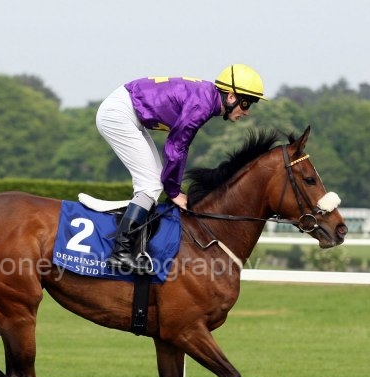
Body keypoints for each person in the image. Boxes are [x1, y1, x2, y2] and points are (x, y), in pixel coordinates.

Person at [96, 64, 267, 273]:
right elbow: (175, 147)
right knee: (151, 185)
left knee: (154, 183)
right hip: (119, 115)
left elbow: (179, 147)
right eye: (246, 103)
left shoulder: (206, 99)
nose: (247, 112)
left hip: (127, 111)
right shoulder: (202, 105)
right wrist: (174, 191)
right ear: (231, 96)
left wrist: (172, 187)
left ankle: (135, 246)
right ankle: (121, 252)